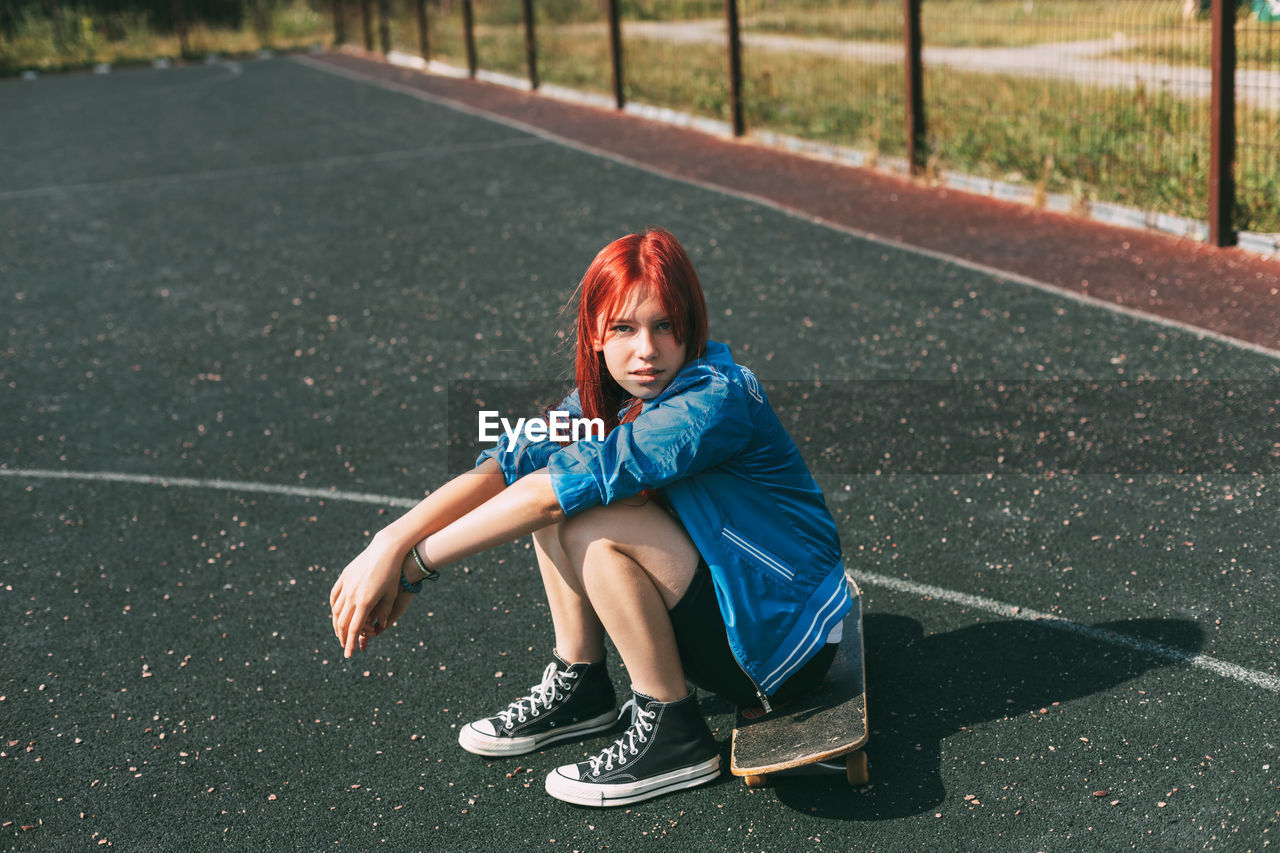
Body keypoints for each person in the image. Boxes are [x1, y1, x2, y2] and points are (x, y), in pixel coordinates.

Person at [329, 227, 852, 807]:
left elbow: (550, 496)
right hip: (737, 606)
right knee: (550, 481)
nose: (646, 350)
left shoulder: (712, 400)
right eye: (624, 329)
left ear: (691, 327)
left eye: (664, 326)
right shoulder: (605, 397)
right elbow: (510, 461)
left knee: (584, 517)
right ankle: (582, 685)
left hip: (784, 638)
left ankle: (675, 734)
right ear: (596, 335)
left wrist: (412, 569)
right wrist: (391, 539)